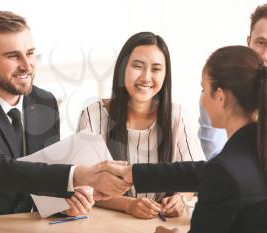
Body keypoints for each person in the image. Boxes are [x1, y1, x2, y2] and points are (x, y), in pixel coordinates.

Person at [0, 10, 130, 219]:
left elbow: (42, 170)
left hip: (30, 224)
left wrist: (64, 202)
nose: (27, 66)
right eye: (12, 56)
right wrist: (80, 175)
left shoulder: (45, 101)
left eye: (30, 53)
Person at [101, 45, 267, 233]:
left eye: (203, 89)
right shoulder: (254, 150)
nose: (202, 100)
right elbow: (201, 171)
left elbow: (216, 174)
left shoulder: (225, 170)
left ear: (221, 97)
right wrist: (133, 173)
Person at [77, 32, 205, 219]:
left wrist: (180, 198)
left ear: (165, 74)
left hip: (160, 223)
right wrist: (128, 205)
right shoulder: (93, 114)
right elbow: (83, 186)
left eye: (156, 69)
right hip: (106, 224)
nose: (146, 77)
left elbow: (197, 177)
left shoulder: (178, 116)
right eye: (138, 66)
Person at [199, 3, 267, 160]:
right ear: (249, 42)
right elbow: (217, 163)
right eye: (261, 42)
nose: (265, 54)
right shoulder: (215, 92)